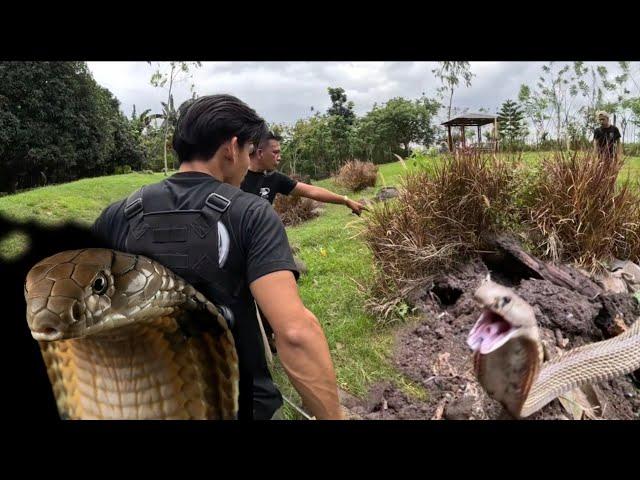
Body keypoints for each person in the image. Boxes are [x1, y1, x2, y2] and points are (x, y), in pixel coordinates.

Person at [91, 94, 343, 420]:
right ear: (231, 148)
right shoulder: (249, 212)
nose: (249, 163)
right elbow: (295, 333)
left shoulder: (119, 213)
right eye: (249, 153)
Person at [240, 132, 368, 215]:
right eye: (275, 152)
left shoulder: (274, 178)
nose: (279, 157)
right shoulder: (235, 177)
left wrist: (345, 200)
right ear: (260, 153)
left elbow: (311, 191)